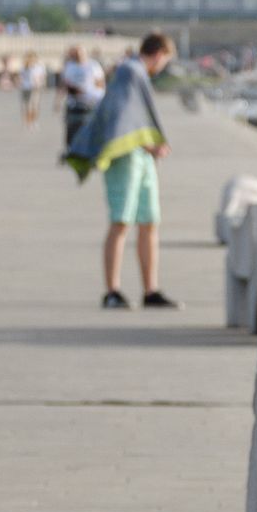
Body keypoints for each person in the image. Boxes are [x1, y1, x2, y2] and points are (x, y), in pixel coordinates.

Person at [63, 31, 178, 311]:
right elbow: (122, 117)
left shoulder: (133, 71)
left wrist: (150, 146)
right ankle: (112, 290)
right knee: (121, 221)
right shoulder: (131, 71)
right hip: (124, 157)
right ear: (160, 54)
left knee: (149, 221)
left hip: (142, 156)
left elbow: (133, 115)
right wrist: (150, 145)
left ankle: (150, 289)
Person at [58, 46, 105, 150]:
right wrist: (59, 100)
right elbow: (65, 84)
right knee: (71, 127)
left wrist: (97, 96)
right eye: (76, 54)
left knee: (91, 128)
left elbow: (100, 83)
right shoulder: (70, 66)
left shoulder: (93, 66)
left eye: (80, 54)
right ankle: (71, 149)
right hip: (74, 103)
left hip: (90, 103)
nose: (78, 56)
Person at [19, 52, 45, 127]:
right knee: (27, 106)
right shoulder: (24, 67)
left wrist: (40, 84)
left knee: (35, 105)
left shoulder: (39, 67)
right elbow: (21, 77)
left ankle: (34, 120)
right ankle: (27, 121)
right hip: (26, 88)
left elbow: (41, 77)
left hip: (35, 88)